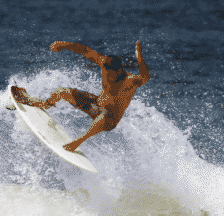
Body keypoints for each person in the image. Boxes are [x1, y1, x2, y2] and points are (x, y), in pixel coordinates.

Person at [10, 40, 150, 152]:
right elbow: (85, 50)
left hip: (110, 120)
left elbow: (145, 77)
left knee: (104, 115)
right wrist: (64, 45)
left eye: (110, 76)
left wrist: (140, 58)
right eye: (105, 74)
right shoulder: (104, 63)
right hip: (95, 105)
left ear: (119, 71)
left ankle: (76, 143)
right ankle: (35, 101)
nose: (106, 78)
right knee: (62, 91)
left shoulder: (129, 81)